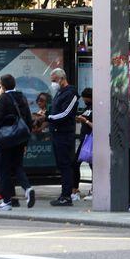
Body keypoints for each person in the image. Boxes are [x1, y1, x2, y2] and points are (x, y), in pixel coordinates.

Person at [0, 74, 36, 211]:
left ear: (2, 85)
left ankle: (7, 201)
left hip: (5, 140)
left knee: (4, 170)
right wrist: (25, 141)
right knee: (17, 166)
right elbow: (28, 120)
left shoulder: (3, 98)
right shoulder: (21, 97)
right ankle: (27, 188)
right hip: (19, 139)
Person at [47, 68, 79, 207]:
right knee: (62, 165)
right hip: (57, 133)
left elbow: (66, 113)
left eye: (54, 80)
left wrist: (48, 117)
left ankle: (67, 196)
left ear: (61, 79)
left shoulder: (71, 93)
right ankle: (64, 194)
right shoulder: (59, 93)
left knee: (66, 165)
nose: (53, 83)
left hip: (65, 135)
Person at [73, 88, 94, 201]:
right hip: (84, 139)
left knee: (92, 165)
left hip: (90, 139)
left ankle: (94, 189)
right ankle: (75, 189)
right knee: (76, 163)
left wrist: (85, 121)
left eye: (84, 98)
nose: (84, 100)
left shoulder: (95, 108)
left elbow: (96, 125)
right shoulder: (87, 108)